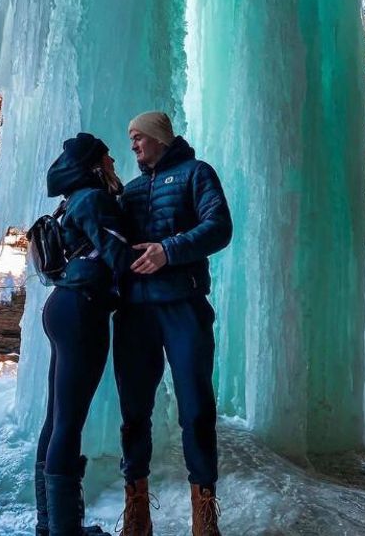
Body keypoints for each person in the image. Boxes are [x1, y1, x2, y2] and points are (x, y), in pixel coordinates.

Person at [113, 111, 232, 536]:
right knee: (133, 413)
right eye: (130, 139)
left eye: (138, 136)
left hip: (183, 306)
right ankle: (137, 512)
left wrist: (168, 249)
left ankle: (204, 515)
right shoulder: (127, 192)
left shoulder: (196, 174)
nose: (133, 145)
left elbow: (219, 227)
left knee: (196, 409)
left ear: (160, 137)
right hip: (134, 314)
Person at [35, 133, 135, 536]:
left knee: (55, 419)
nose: (113, 163)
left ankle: (49, 526)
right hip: (82, 311)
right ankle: (65, 532)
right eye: (108, 159)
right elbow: (119, 256)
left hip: (63, 307)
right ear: (94, 165)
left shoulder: (71, 199)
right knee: (68, 423)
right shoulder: (93, 200)